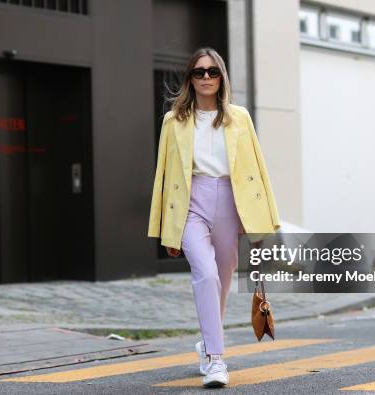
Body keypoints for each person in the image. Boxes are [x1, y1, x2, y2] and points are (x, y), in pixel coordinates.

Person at [147, 47, 281, 387]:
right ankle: (215, 360)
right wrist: (166, 230)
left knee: (221, 280)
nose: (206, 78)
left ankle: (208, 341)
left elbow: (258, 171)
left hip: (231, 203)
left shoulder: (240, 117)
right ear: (190, 78)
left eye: (212, 72)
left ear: (222, 77)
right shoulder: (173, 121)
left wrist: (264, 221)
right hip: (191, 203)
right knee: (205, 275)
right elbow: (163, 176)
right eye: (198, 72)